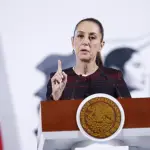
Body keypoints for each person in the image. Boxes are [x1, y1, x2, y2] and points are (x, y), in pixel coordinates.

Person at [46, 18, 131, 101]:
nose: (85, 42)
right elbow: (47, 114)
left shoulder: (114, 77)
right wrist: (55, 97)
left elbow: (130, 111)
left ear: (101, 45)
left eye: (92, 37)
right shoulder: (58, 80)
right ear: (72, 42)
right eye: (80, 36)